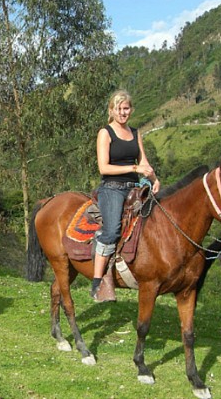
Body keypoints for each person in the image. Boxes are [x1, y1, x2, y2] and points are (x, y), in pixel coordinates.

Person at [91, 89, 160, 302]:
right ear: (111, 110)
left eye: (126, 108)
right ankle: (97, 282)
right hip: (112, 188)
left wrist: (155, 179)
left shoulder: (136, 133)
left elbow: (144, 163)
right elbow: (104, 168)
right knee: (112, 230)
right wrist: (134, 168)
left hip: (135, 187)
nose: (123, 112)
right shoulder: (105, 133)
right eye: (119, 108)